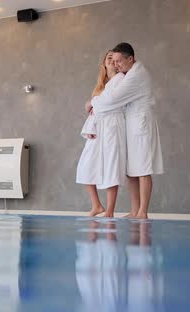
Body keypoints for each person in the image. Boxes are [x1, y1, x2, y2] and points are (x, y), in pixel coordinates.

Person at [87, 43, 164, 219]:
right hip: (131, 125)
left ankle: (143, 212)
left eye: (119, 61)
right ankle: (135, 210)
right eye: (114, 61)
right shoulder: (127, 73)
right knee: (131, 171)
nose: (117, 65)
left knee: (143, 169)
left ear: (130, 58)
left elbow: (111, 100)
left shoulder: (136, 76)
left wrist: (92, 102)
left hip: (141, 124)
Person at [76, 51, 127, 218]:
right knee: (86, 165)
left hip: (112, 126)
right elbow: (93, 110)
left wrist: (91, 102)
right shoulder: (102, 86)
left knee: (111, 166)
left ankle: (110, 211)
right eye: (108, 58)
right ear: (104, 63)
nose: (112, 60)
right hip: (98, 128)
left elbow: (107, 103)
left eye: (115, 58)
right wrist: (91, 127)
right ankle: (97, 205)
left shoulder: (121, 80)